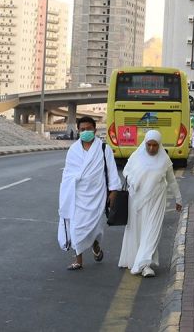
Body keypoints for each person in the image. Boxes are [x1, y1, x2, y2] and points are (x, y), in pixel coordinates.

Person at [58, 116, 122, 271]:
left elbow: (111, 170)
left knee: (94, 227)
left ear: (95, 129)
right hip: (77, 195)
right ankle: (78, 260)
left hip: (98, 195)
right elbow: (67, 173)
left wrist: (113, 191)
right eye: (82, 129)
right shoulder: (73, 150)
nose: (85, 132)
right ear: (78, 131)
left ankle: (95, 245)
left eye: (88, 129)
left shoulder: (103, 149)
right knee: (77, 227)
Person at [118, 130, 182, 277]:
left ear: (159, 144)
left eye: (155, 145)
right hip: (137, 201)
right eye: (149, 145)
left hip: (157, 201)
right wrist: (133, 180)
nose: (152, 148)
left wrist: (178, 199)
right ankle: (138, 260)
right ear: (145, 143)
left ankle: (145, 265)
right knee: (139, 232)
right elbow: (126, 171)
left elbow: (171, 180)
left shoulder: (164, 160)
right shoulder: (136, 156)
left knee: (152, 232)